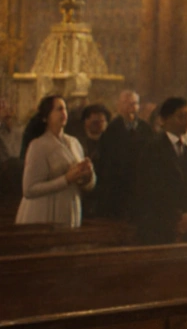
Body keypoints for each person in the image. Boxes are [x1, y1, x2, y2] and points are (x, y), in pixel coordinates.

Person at [132, 97, 187, 244]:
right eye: (181, 116)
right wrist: (176, 219)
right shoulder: (152, 149)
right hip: (160, 230)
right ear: (164, 120)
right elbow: (148, 192)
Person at [15, 95, 95, 227]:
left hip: (70, 209)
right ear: (46, 117)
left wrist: (88, 175)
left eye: (65, 109)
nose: (64, 113)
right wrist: (66, 179)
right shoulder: (38, 146)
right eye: (59, 109)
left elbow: (87, 185)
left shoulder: (74, 142)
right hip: (45, 212)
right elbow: (29, 189)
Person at [100, 89, 157, 220]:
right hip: (118, 187)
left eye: (134, 103)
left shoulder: (146, 129)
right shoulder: (111, 129)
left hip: (140, 185)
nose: (130, 107)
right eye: (126, 103)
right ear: (119, 106)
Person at [77, 103, 112, 218]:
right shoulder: (77, 143)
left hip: (104, 196)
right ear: (86, 122)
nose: (99, 125)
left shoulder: (112, 144)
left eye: (102, 122)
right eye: (95, 122)